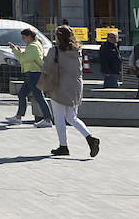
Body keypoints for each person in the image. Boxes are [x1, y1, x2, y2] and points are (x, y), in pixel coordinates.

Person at [41, 25, 99, 158]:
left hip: (59, 85)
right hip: (76, 86)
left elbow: (46, 68)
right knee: (71, 116)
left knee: (59, 117)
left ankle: (63, 146)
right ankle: (90, 139)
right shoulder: (77, 50)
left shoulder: (54, 51)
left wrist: (44, 59)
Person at [6, 28, 53, 127]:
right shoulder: (34, 44)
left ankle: (48, 119)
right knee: (22, 94)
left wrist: (15, 50)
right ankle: (18, 117)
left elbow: (23, 59)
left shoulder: (33, 46)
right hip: (32, 73)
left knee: (38, 96)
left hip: (34, 73)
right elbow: (27, 57)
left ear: (29, 37)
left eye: (24, 37)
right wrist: (19, 50)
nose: (23, 39)